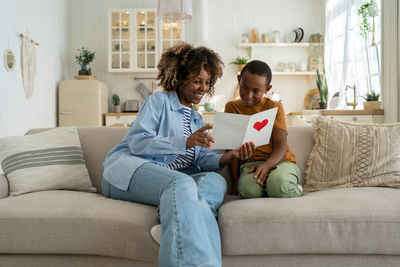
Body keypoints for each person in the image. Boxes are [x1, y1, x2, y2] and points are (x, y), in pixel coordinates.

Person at [102, 43, 255, 267]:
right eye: (197, 80)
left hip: (174, 180)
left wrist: (229, 156)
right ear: (180, 78)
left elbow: (202, 159)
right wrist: (184, 142)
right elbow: (138, 142)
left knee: (214, 181)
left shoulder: (196, 119)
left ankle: (173, 217)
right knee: (181, 184)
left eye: (207, 82)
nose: (203, 87)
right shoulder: (158, 102)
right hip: (130, 172)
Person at [225, 60, 302, 198]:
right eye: (244, 87)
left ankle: (291, 188)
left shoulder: (275, 107)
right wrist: (236, 182)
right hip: (251, 164)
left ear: (267, 89)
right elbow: (231, 149)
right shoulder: (231, 107)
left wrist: (266, 166)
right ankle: (267, 188)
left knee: (279, 186)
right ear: (239, 80)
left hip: (280, 162)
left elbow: (281, 147)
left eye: (256, 91)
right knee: (248, 191)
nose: (248, 95)